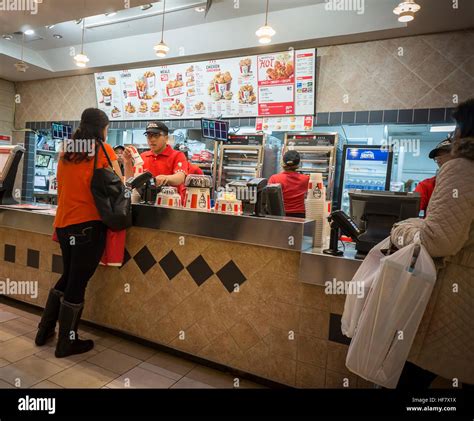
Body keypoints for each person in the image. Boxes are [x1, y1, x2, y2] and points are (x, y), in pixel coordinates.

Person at [391, 98, 474, 389]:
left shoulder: (462, 168)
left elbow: (438, 240)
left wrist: (402, 230)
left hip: (457, 298)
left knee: (410, 374)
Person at [35, 108, 122, 358]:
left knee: (69, 276)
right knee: (76, 282)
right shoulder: (104, 150)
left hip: (63, 225)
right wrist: (127, 163)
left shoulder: (66, 150)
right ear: (101, 128)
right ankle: (67, 343)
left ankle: (44, 331)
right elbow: (121, 185)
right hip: (89, 226)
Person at [123, 122, 188, 200]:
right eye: (149, 136)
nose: (152, 139)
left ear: (166, 138)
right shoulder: (143, 156)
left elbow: (180, 178)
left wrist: (165, 178)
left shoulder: (177, 155)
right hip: (145, 202)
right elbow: (130, 181)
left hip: (170, 203)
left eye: (156, 136)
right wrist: (127, 161)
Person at [414, 137, 453, 215]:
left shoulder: (467, 184)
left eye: (445, 156)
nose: (439, 160)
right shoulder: (426, 185)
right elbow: (411, 209)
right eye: (437, 157)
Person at [268, 150, 309, 218]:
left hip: (280, 215)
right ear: (298, 164)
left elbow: (269, 199)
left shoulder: (274, 178)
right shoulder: (306, 179)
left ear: (283, 162)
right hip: (299, 215)